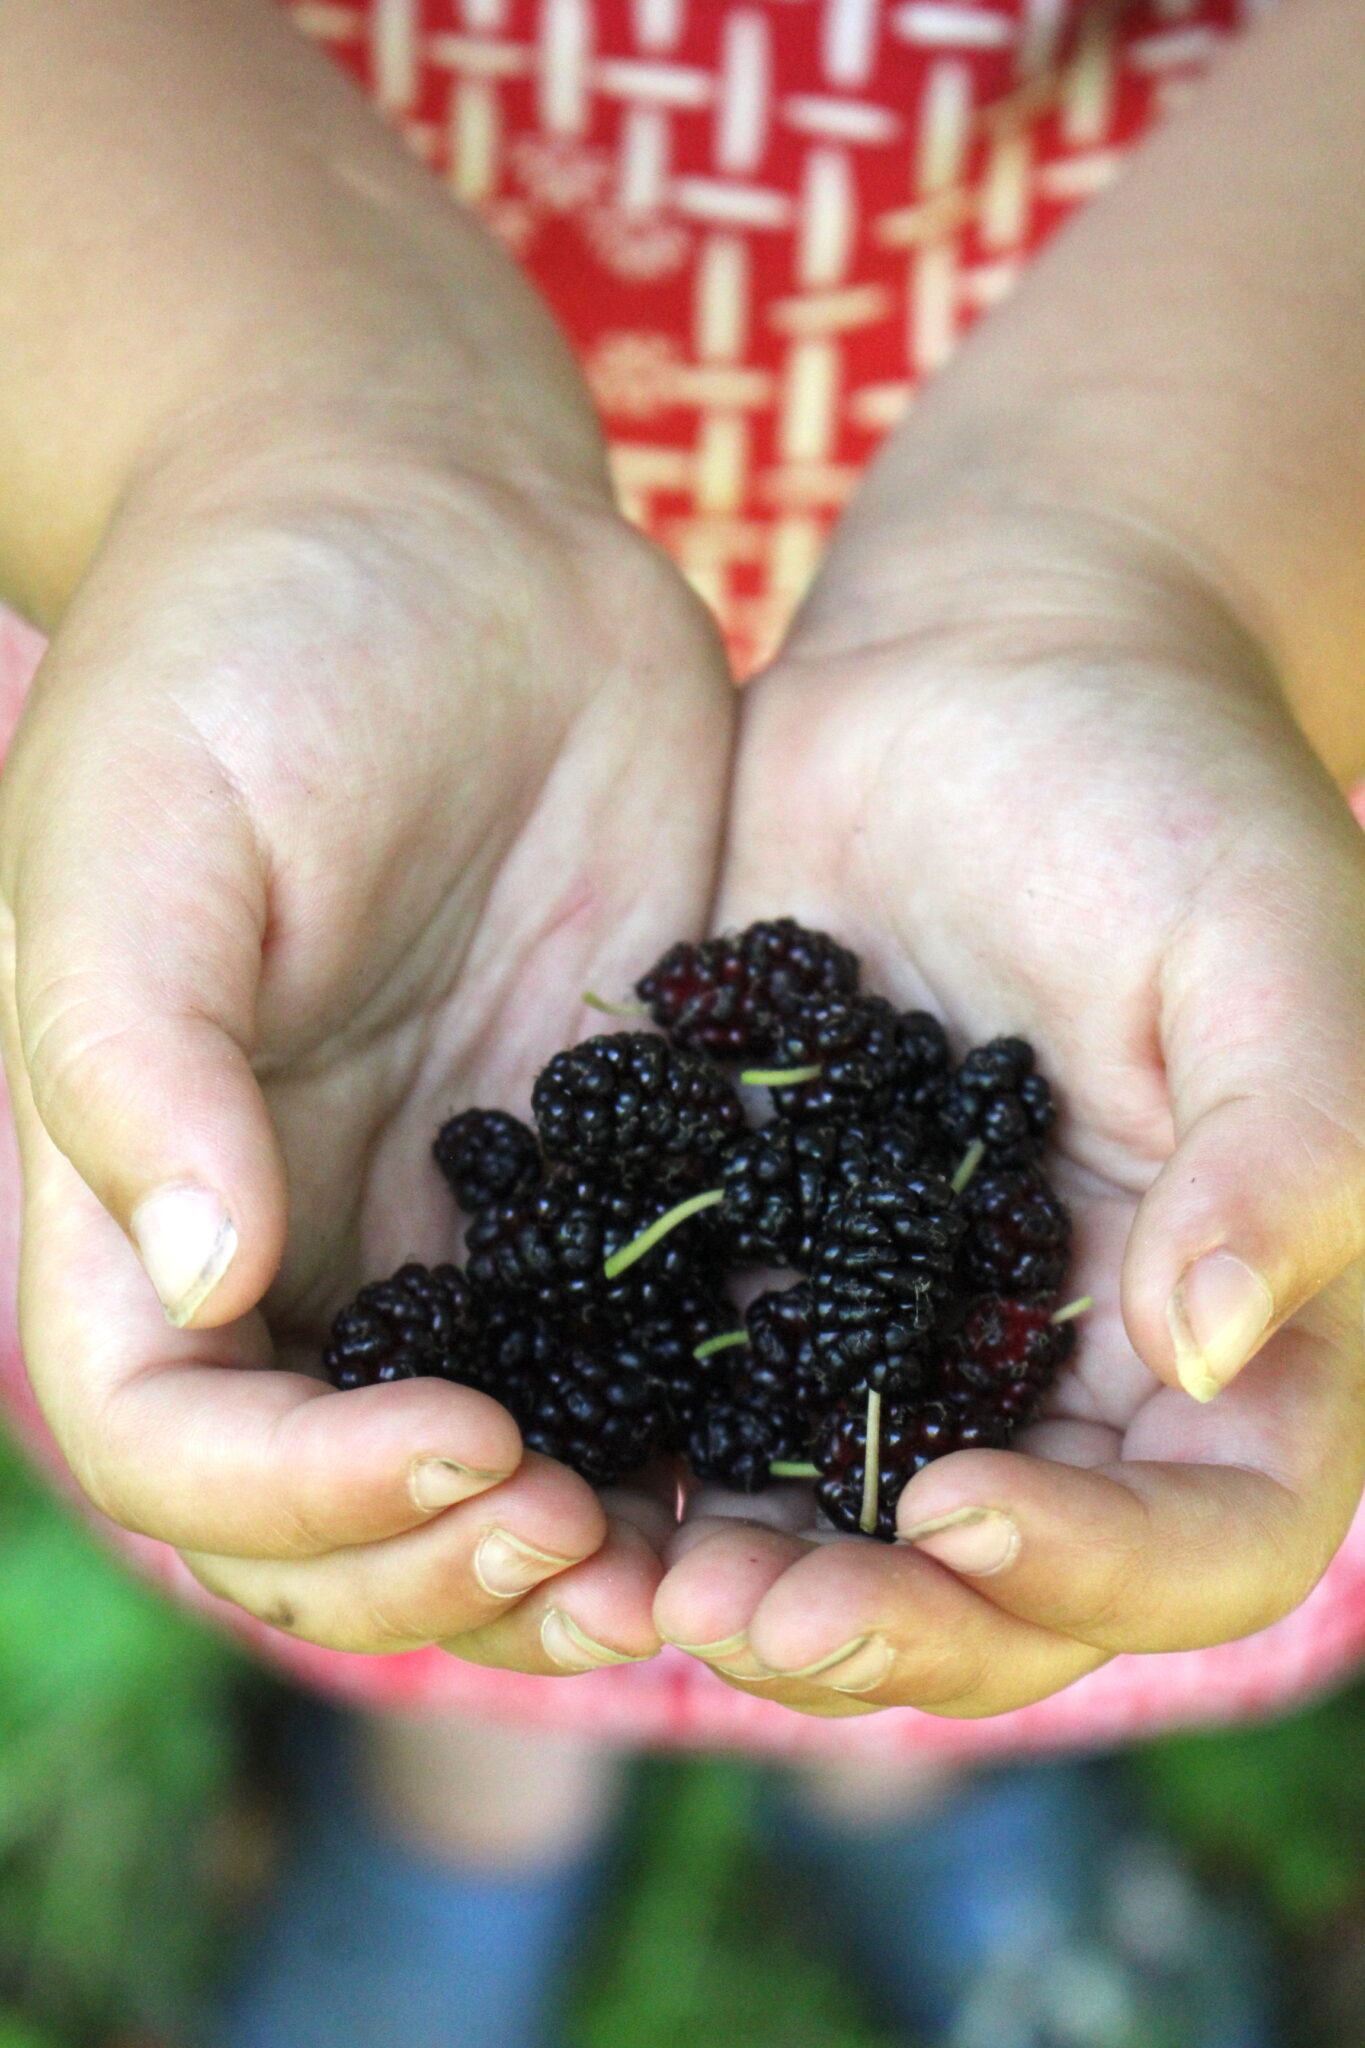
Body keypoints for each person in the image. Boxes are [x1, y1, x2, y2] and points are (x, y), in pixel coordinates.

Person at [0, 0, 1362, 2041]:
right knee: (436, 1500)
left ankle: (905, 1774)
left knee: (965, 1535)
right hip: (205, 357)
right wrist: (267, 443)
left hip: (1253, 478)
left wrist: (1151, 571)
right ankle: (466, 1795)